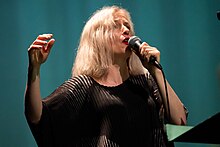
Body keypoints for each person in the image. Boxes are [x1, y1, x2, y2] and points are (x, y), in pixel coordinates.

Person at [24, 5, 188, 147]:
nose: (126, 30)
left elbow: (180, 121)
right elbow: (39, 117)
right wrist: (34, 68)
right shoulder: (84, 86)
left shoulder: (146, 82)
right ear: (98, 38)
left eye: (127, 26)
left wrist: (155, 71)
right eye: (116, 26)